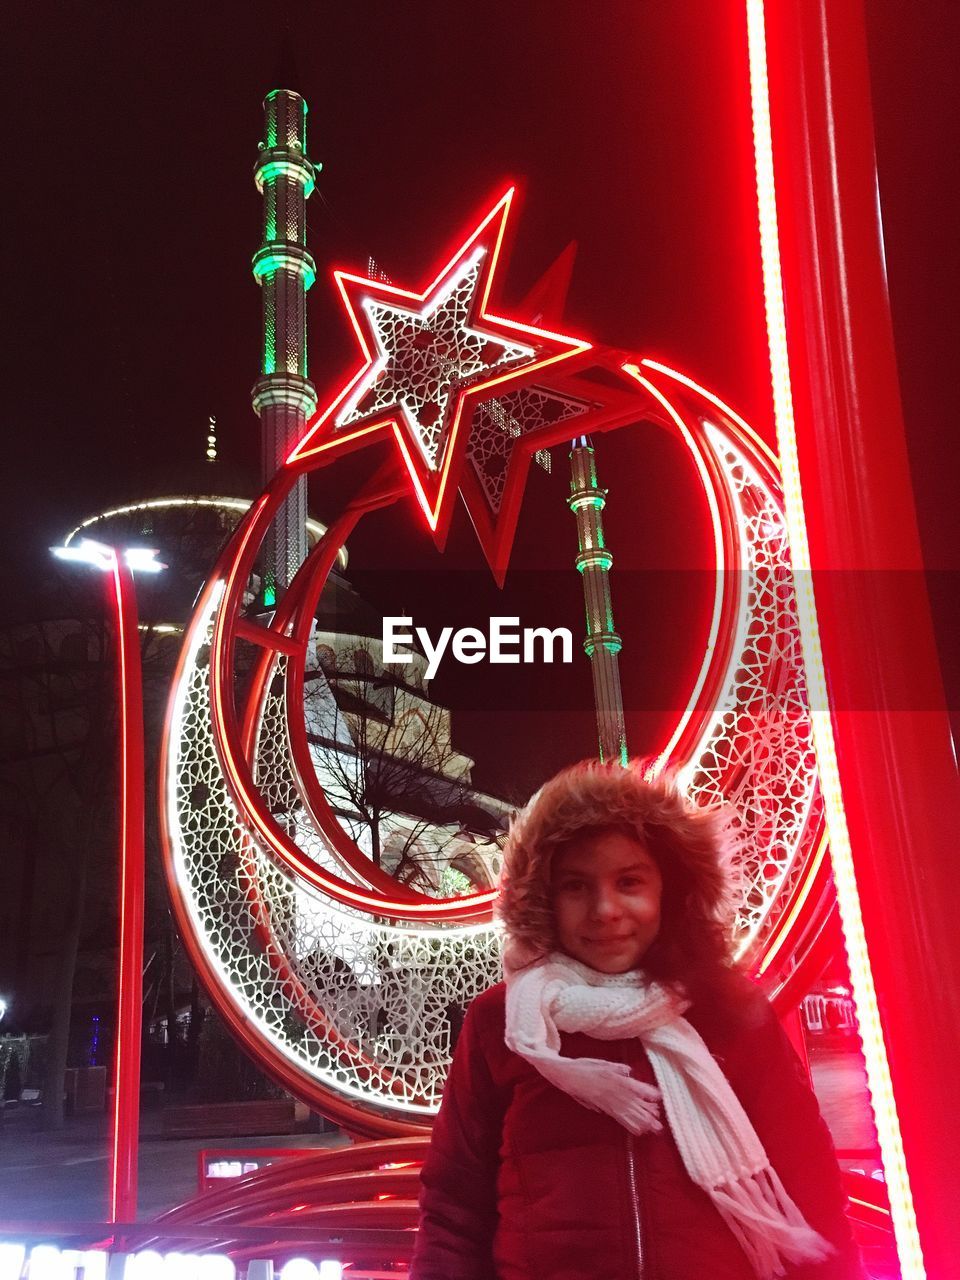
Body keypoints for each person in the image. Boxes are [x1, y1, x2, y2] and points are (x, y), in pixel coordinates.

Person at [411, 760, 862, 1280]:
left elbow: (810, 1187)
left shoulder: (730, 1012)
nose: (605, 910)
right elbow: (454, 1205)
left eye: (629, 881)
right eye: (575, 886)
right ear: (544, 900)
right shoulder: (505, 1023)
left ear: (670, 890)